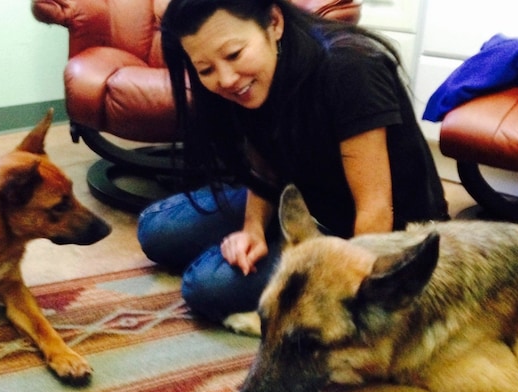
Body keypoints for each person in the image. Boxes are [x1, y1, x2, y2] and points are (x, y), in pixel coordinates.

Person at [137, 0, 449, 333]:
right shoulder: (249, 80)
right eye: (205, 69)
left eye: (233, 55)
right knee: (157, 231)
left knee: (205, 287)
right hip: (301, 203)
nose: (226, 79)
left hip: (377, 229)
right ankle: (266, 251)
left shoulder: (352, 67)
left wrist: (341, 290)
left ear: (274, 22)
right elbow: (264, 163)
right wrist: (252, 230)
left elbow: (375, 208)